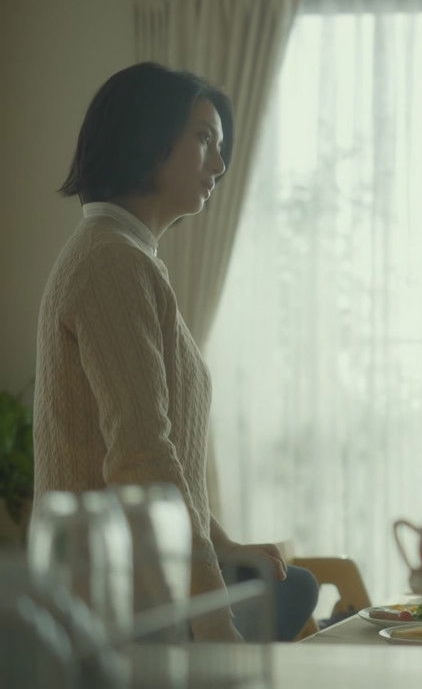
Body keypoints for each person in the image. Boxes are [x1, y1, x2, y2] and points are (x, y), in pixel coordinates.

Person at [34, 62, 317, 641]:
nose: (220, 164)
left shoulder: (127, 257)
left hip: (140, 577)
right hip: (112, 599)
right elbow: (142, 459)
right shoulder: (112, 262)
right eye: (205, 138)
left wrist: (224, 545)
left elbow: (164, 461)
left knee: (293, 585)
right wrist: (212, 621)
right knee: (291, 596)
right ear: (148, 137)